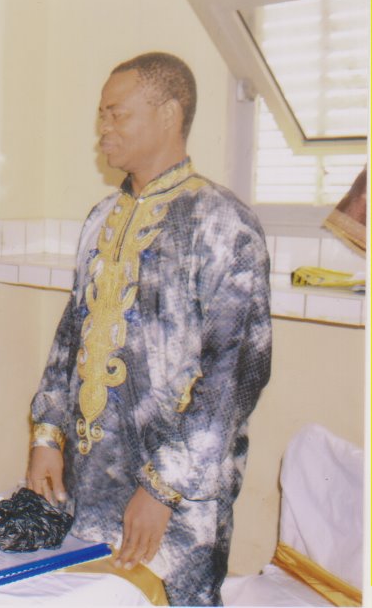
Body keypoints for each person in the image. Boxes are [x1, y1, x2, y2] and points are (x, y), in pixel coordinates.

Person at [26, 52, 272, 606]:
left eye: (117, 114)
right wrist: (46, 436)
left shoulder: (223, 223)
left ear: (168, 114)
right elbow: (69, 339)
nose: (103, 128)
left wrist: (162, 489)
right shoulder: (100, 219)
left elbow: (234, 377)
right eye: (101, 115)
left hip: (177, 501)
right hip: (88, 483)